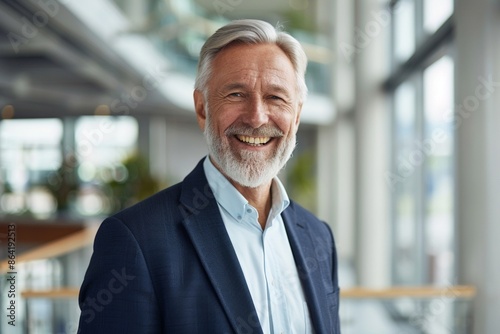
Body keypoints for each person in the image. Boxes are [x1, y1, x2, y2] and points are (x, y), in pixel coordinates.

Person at [78, 19, 340, 334]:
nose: (257, 117)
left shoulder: (318, 238)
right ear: (202, 109)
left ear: (296, 116)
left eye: (276, 98)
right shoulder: (135, 241)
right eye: (236, 94)